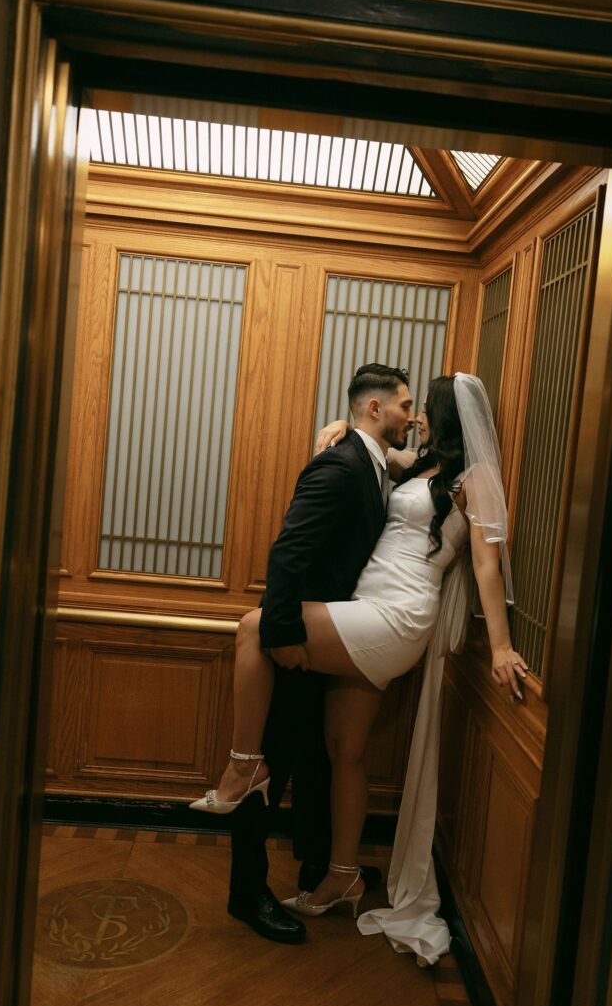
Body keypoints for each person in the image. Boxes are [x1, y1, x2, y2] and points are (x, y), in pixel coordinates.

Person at [197, 372, 527, 960]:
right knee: (344, 750)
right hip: (365, 606)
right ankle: (343, 875)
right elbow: (376, 446)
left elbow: (484, 568)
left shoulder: (474, 481)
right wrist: (345, 425)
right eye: (408, 407)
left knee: (253, 628)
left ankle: (244, 766)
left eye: (422, 406)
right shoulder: (417, 465)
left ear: (443, 414)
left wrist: (501, 648)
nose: (415, 414)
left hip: (398, 613)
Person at [191, 363, 416, 945]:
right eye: (404, 406)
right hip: (296, 645)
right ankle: (247, 895)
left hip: (336, 639)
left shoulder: (370, 462)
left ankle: (319, 869)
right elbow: (288, 554)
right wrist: (284, 637)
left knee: (315, 764)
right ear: (375, 409)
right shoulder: (339, 465)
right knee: (270, 770)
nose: (411, 417)